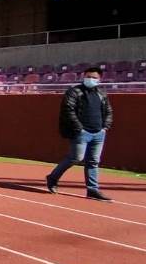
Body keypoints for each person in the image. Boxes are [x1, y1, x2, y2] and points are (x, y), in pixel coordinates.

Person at [46, 67, 113, 201]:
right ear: (83, 77)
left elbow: (108, 111)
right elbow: (68, 110)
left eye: (94, 77)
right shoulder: (75, 91)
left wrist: (105, 127)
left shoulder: (101, 94)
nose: (91, 79)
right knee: (75, 158)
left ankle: (92, 189)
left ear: (99, 79)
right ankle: (53, 178)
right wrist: (79, 128)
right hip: (81, 132)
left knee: (93, 161)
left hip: (98, 133)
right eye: (88, 76)